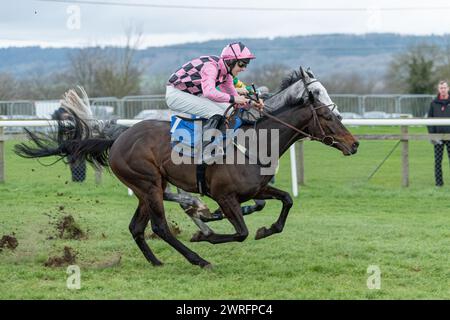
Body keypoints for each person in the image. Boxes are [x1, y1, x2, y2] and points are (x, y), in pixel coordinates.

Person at [165, 42, 264, 136]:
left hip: (193, 94)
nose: (244, 68)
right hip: (175, 94)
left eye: (246, 65)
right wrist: (235, 99)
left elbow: (236, 101)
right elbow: (209, 92)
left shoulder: (226, 75)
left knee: (229, 111)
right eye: (241, 64)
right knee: (218, 113)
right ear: (230, 61)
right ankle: (206, 148)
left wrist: (252, 103)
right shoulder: (211, 67)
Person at [427, 80, 450, 186]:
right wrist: (432, 134)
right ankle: (439, 184)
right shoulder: (433, 103)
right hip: (438, 137)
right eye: (441, 88)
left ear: (448, 88)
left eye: (444, 87)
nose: (443, 90)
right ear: (438, 89)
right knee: (437, 161)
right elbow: (429, 120)